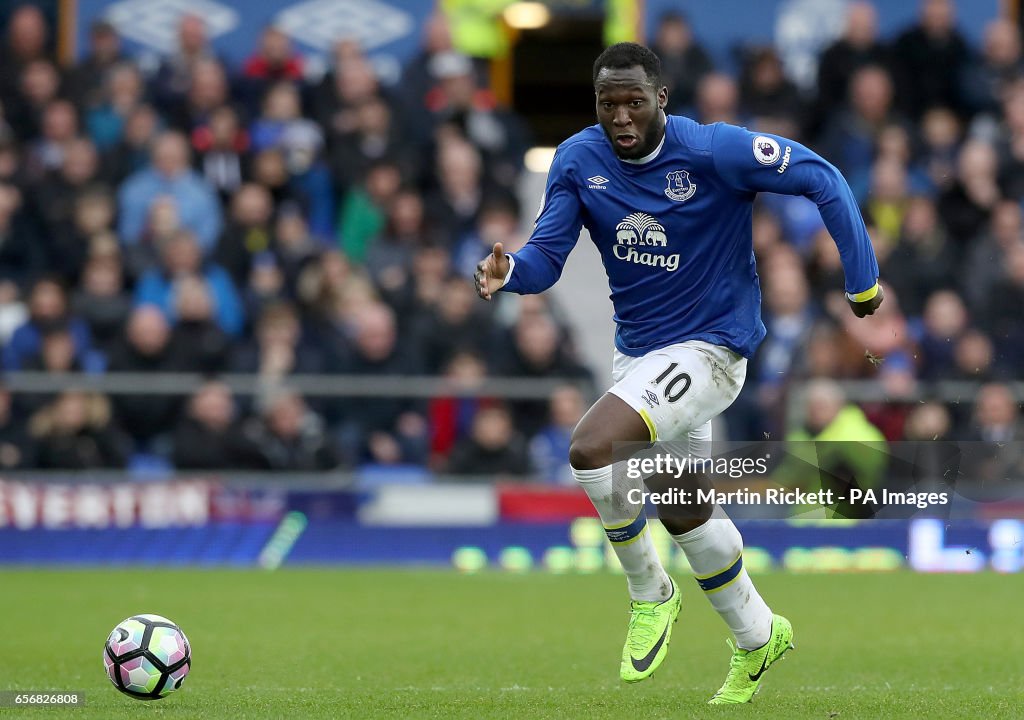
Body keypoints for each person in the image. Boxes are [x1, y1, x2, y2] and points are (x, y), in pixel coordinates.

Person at [474, 43, 883, 704]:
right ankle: (757, 635)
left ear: (662, 98)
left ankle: (650, 594)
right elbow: (548, 255)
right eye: (608, 103)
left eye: (635, 100)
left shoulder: (714, 151)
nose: (621, 116)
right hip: (638, 354)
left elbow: (823, 177)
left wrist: (862, 285)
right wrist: (512, 271)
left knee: (591, 447)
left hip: (713, 350)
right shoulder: (580, 160)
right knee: (681, 502)